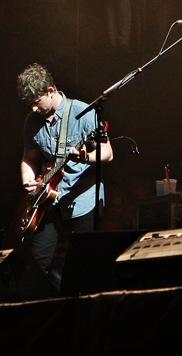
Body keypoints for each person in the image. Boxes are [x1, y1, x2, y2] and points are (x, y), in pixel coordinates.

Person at [18, 64, 112, 288]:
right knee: (37, 264)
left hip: (83, 199)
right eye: (29, 104)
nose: (33, 108)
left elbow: (107, 153)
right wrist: (27, 179)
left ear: (50, 91)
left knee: (84, 263)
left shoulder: (83, 112)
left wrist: (84, 157)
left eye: (36, 102)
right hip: (49, 200)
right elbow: (29, 158)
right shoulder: (32, 121)